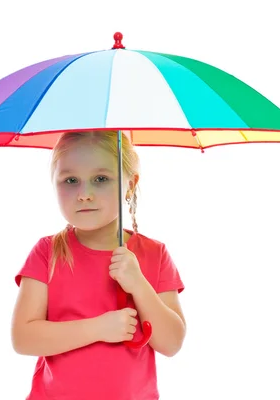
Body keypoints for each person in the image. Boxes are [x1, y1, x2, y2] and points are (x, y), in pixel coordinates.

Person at [11, 130, 186, 399]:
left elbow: (172, 343)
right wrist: (99, 328)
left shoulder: (154, 254)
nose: (84, 194)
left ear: (130, 184)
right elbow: (23, 338)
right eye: (70, 180)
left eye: (101, 179)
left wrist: (138, 285)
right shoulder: (48, 252)